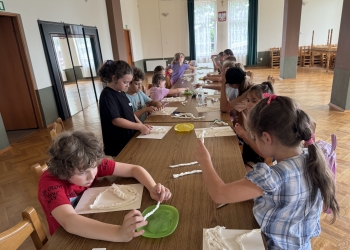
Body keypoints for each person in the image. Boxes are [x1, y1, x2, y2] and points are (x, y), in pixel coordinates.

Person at [193, 95, 339, 249]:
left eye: (254, 137)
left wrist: (205, 161)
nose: (254, 140)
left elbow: (219, 194)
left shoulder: (273, 177)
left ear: (267, 138)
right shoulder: (312, 158)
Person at [38, 130, 172, 241]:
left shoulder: (88, 163)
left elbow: (134, 169)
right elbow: (69, 221)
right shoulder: (50, 183)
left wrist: (152, 187)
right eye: (82, 173)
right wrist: (118, 233)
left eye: (95, 167)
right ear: (64, 171)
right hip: (67, 238)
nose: (91, 176)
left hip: (90, 218)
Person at [99, 60, 152, 157]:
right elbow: (116, 120)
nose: (128, 85)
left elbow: (130, 113)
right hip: (118, 144)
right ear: (114, 78)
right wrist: (139, 127)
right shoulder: (107, 95)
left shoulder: (121, 92)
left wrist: (142, 125)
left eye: (129, 82)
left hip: (129, 139)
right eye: (125, 82)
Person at [234, 82, 275, 168]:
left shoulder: (266, 124)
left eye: (254, 101)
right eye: (248, 100)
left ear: (266, 102)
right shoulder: (254, 118)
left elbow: (265, 155)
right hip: (249, 158)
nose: (248, 104)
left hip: (259, 164)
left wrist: (245, 136)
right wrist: (240, 135)